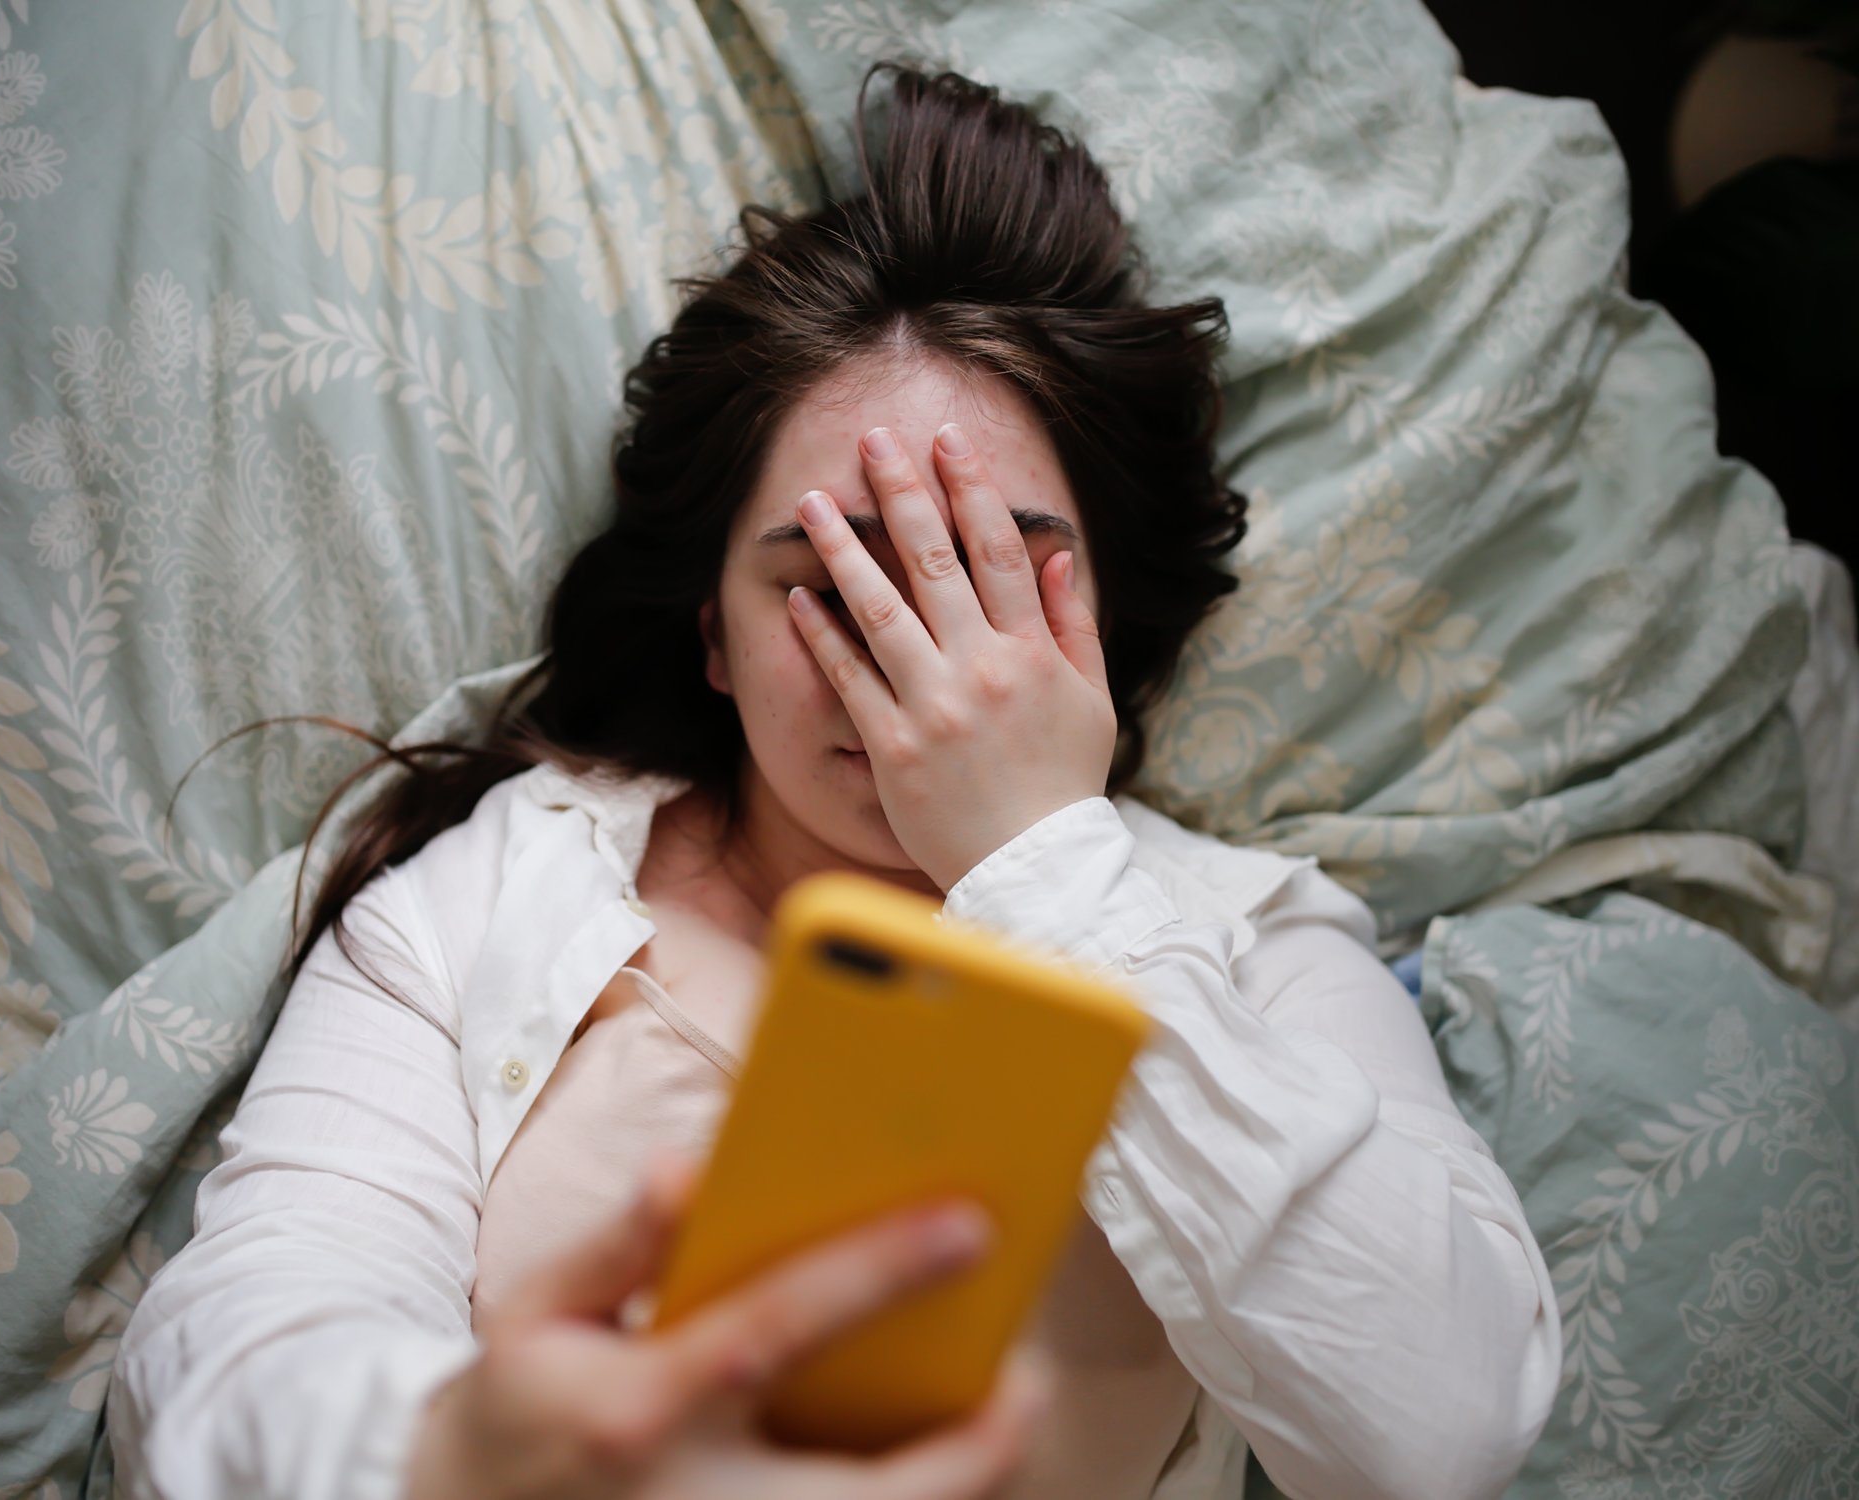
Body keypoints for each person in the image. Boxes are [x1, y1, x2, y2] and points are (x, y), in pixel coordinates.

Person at [109, 64, 1560, 1500]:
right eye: (831, 580)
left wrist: (1042, 859)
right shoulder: (484, 900)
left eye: (995, 579)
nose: (917, 658)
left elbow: (1441, 1435)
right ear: (716, 639)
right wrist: (451, 1448)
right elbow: (239, 1343)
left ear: (1109, 641)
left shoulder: (1261, 944)